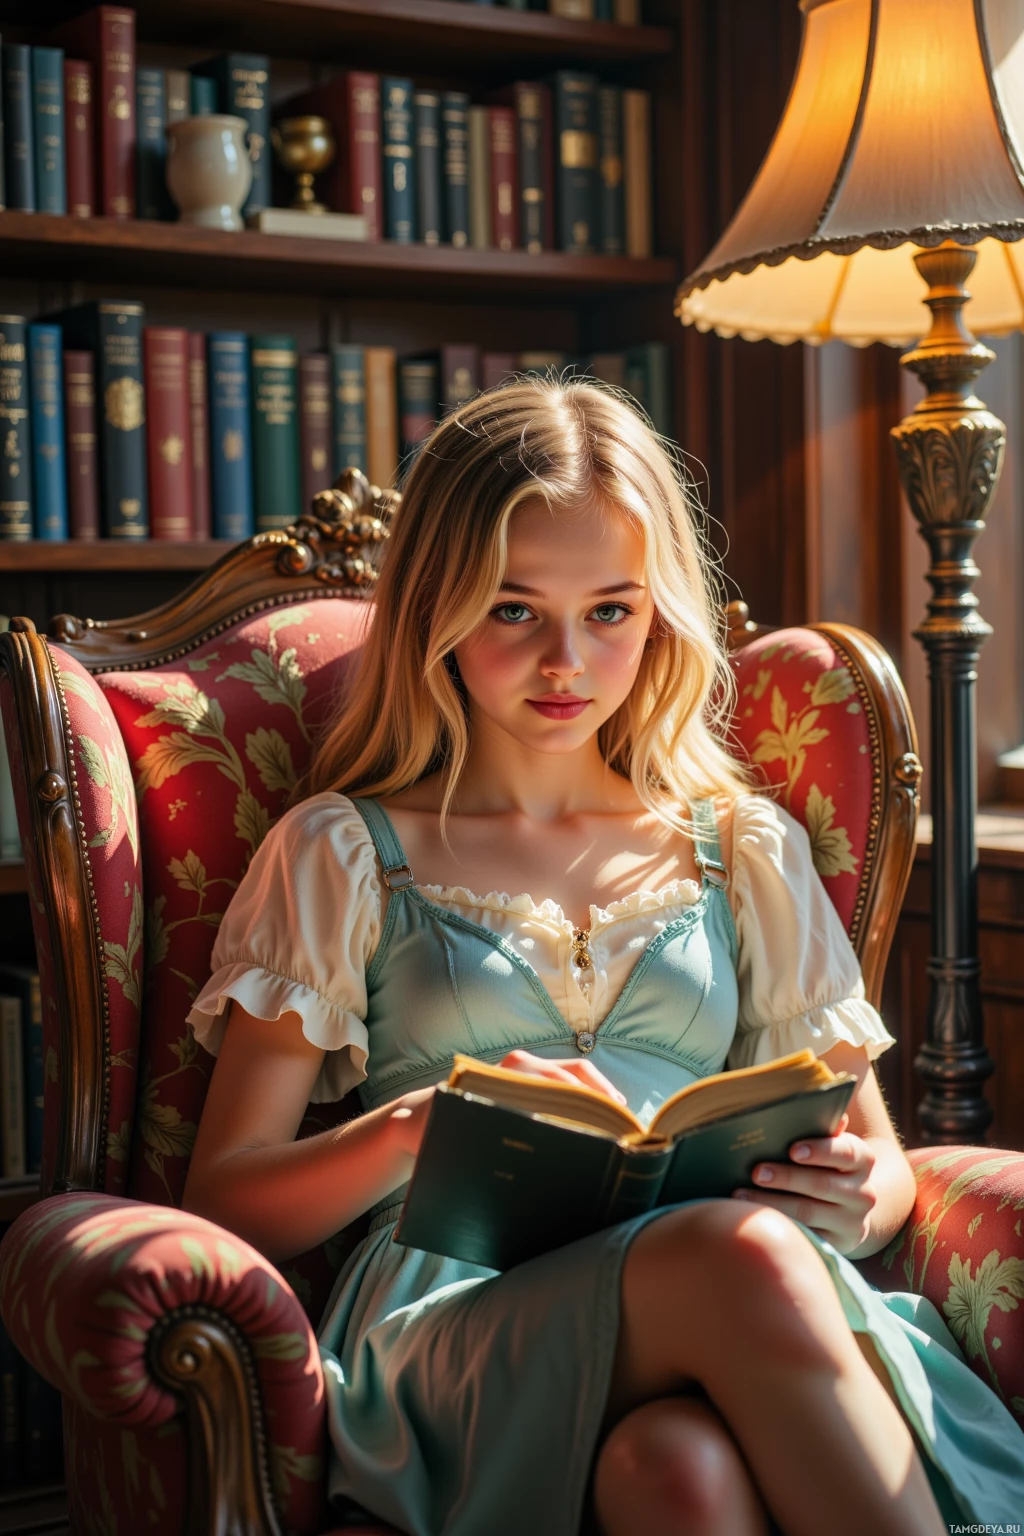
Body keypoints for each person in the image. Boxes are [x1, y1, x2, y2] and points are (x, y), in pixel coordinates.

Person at [181, 377, 1024, 1536]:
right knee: (739, 1258)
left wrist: (852, 1195)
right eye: (514, 610)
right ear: (438, 608)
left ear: (661, 613)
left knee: (675, 1475)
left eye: (612, 611)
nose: (566, 661)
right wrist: (420, 1128)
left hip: (727, 1315)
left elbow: (880, 1178)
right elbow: (225, 1199)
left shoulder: (743, 848)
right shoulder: (341, 852)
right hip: (458, 1326)